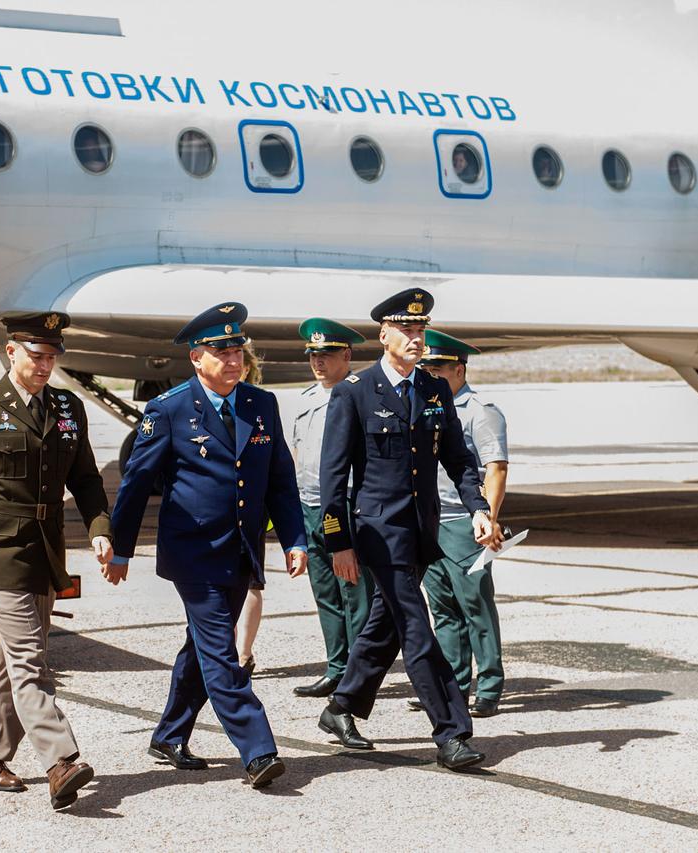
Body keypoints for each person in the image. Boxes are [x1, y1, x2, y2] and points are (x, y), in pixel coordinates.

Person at [106, 302, 308, 790]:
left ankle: (169, 734)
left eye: (238, 349)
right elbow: (135, 484)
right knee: (220, 649)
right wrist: (121, 548)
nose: (234, 359)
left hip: (241, 548)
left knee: (200, 648)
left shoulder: (261, 404)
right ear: (197, 357)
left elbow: (279, 479)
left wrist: (294, 539)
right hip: (192, 551)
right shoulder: (170, 408)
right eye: (222, 351)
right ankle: (258, 749)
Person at [0, 310, 114, 811]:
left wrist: (101, 529)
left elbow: (86, 480)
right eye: (37, 355)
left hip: (45, 548)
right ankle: (60, 761)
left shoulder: (66, 408)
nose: (45, 365)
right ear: (11, 351)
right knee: (30, 659)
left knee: (12, 661)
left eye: (52, 356)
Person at [316, 288, 502, 771]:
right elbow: (334, 477)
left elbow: (459, 460)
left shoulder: (434, 389)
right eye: (407, 330)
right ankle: (452, 733)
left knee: (386, 625)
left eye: (421, 330)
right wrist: (338, 541)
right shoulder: (354, 393)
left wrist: (479, 507)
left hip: (421, 531)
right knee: (417, 629)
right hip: (377, 533)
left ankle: (341, 708)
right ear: (384, 336)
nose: (417, 338)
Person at [418, 330, 509, 717]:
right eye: (426, 367)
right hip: (430, 520)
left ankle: (489, 683)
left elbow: (496, 469)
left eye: (437, 367)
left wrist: (487, 517)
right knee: (442, 608)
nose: (430, 374)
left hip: (463, 521)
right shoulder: (427, 406)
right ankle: (454, 683)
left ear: (458, 369)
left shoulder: (479, 410)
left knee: (475, 605)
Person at [290, 318, 376, 699]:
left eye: (326, 354)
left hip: (344, 504)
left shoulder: (360, 394)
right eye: (313, 354)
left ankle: (359, 673)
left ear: (347, 354)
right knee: (325, 590)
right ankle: (337, 667)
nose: (318, 361)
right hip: (309, 503)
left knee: (354, 591)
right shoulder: (307, 398)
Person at [236, 341, 265, 676]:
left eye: (240, 360)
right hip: (216, 517)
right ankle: (224, 651)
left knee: (252, 584)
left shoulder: (261, 405)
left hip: (252, 513)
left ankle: (243, 653)